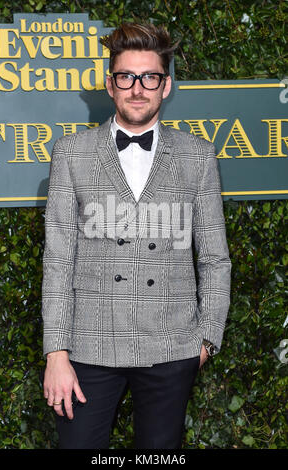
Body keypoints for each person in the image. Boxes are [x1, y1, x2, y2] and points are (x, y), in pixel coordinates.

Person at [41, 22, 231, 449]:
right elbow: (58, 259)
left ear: (166, 86)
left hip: (171, 346)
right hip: (88, 347)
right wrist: (56, 352)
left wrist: (205, 339)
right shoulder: (72, 152)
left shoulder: (197, 155)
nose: (138, 88)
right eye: (126, 77)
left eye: (150, 77)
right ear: (111, 84)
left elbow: (215, 258)